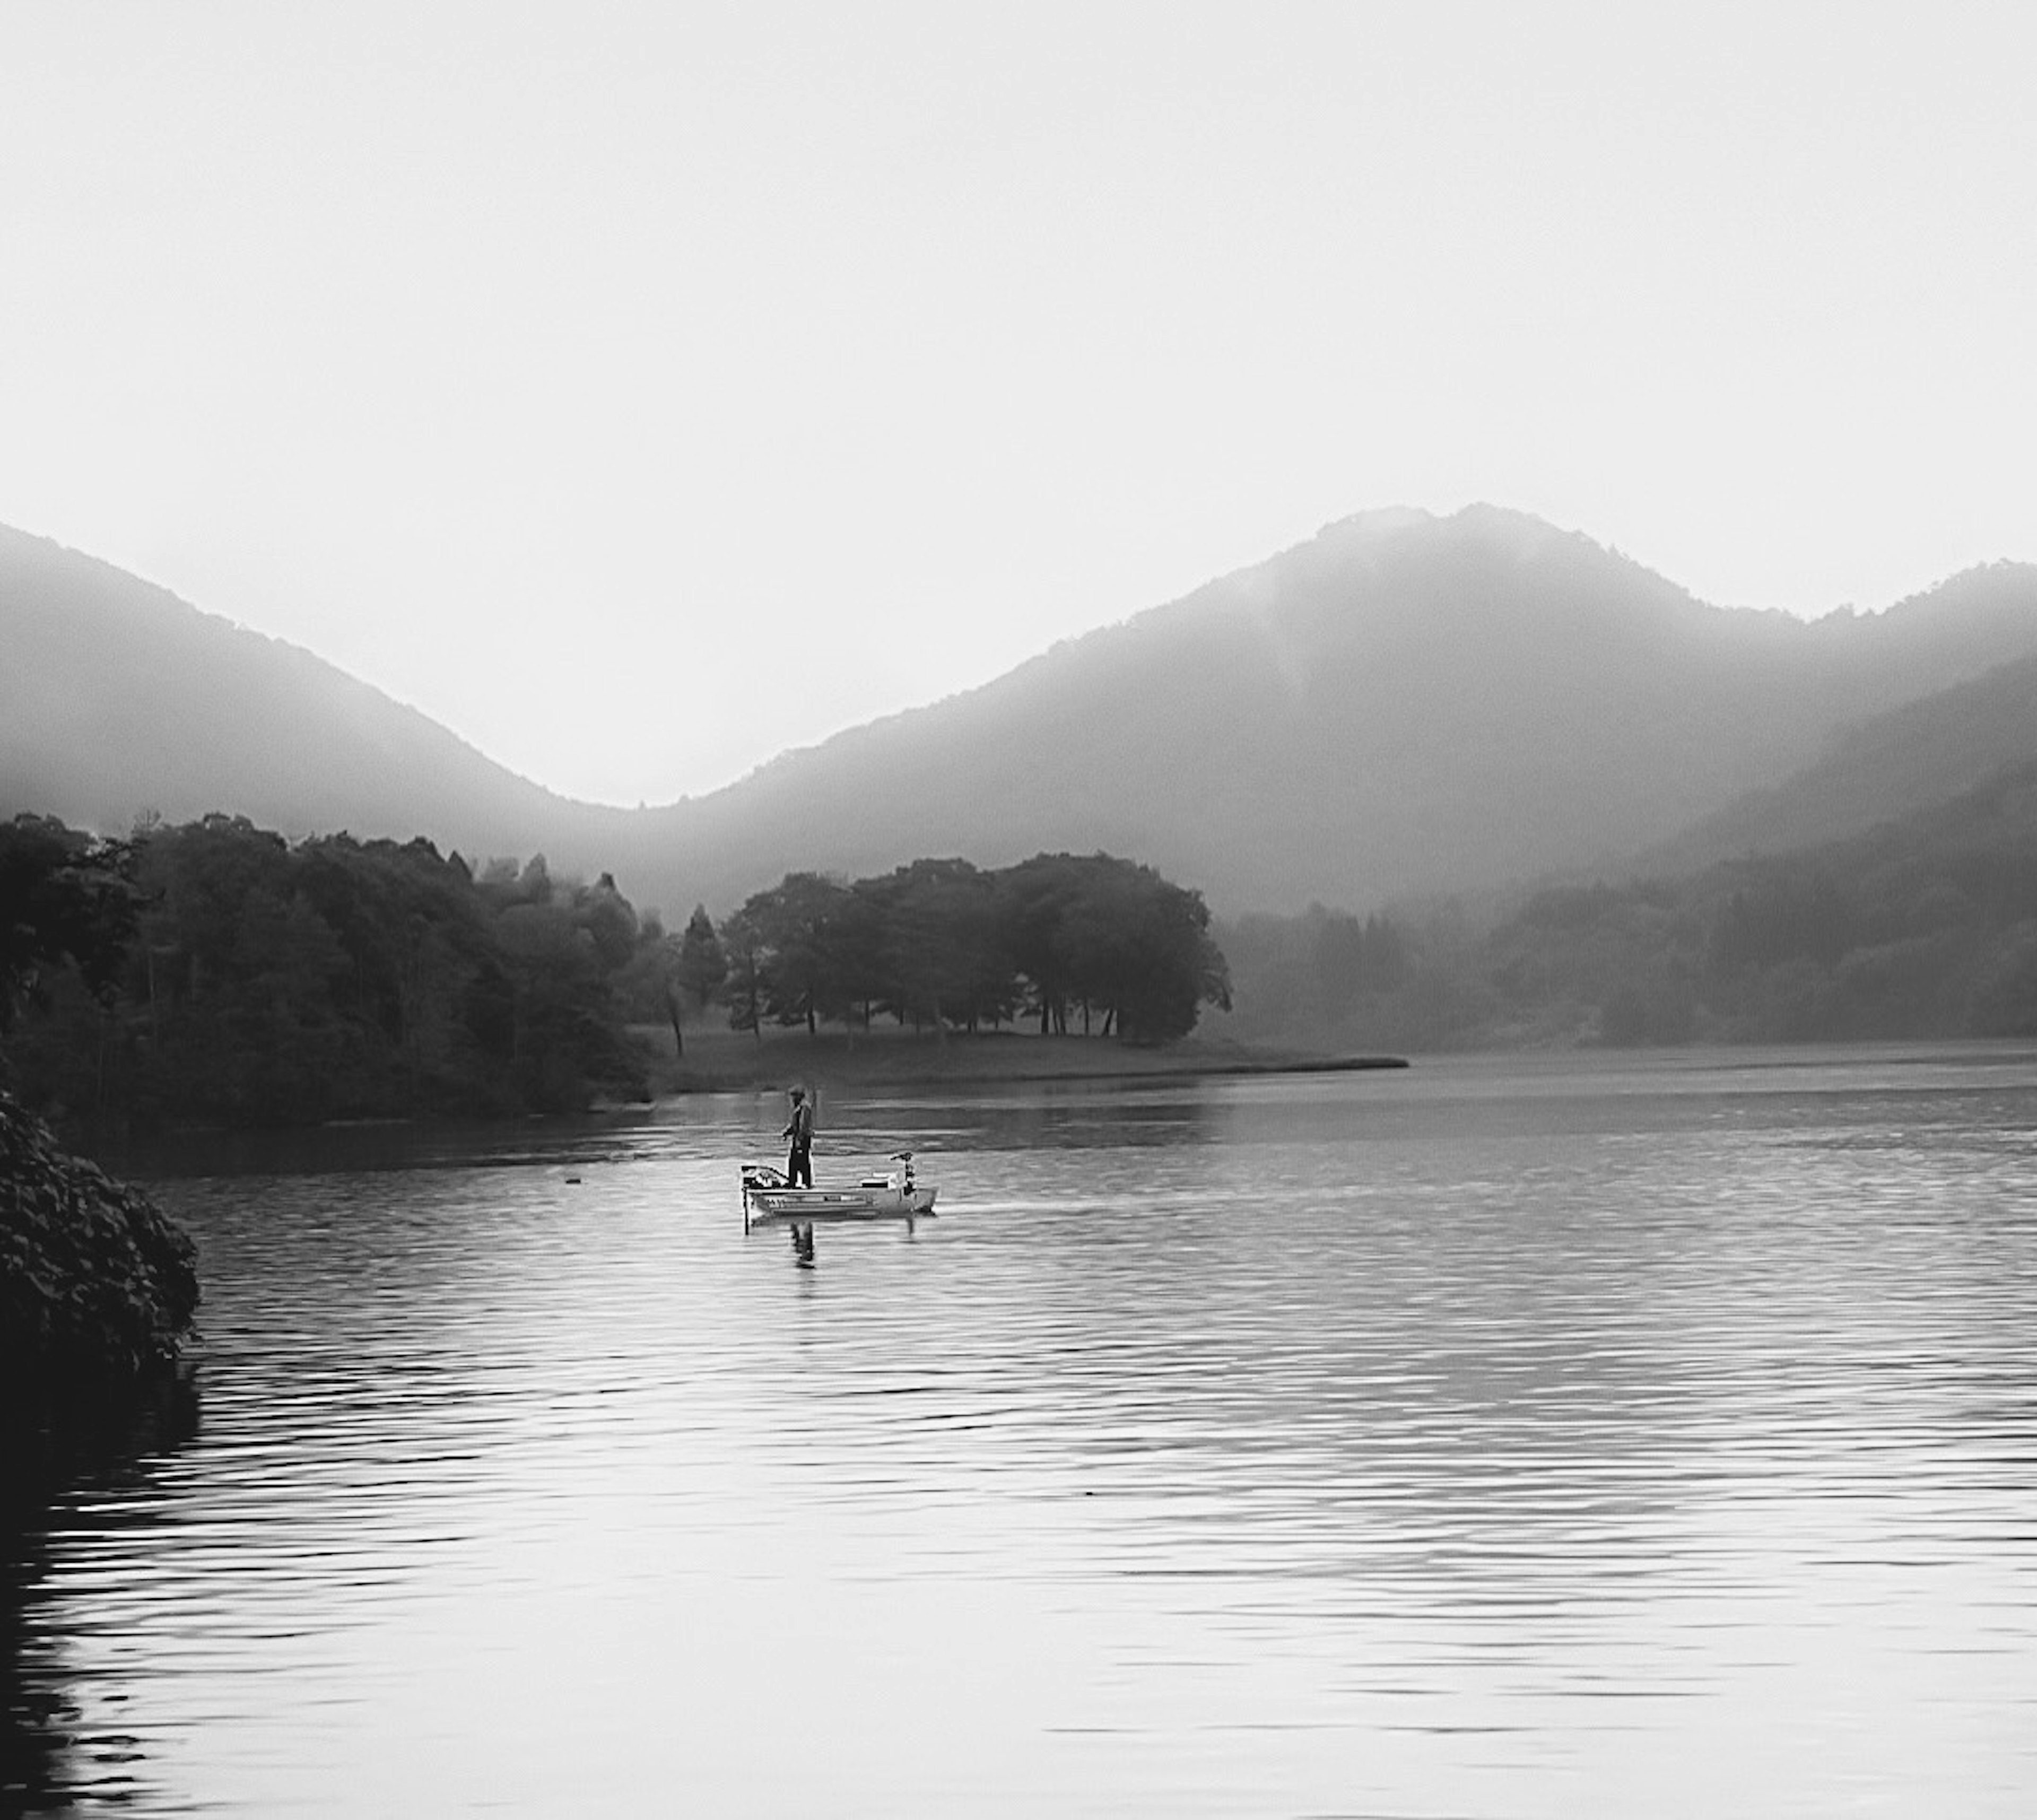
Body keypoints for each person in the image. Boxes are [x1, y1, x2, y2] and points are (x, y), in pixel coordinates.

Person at [781, 1085, 814, 1188]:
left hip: (802, 1139)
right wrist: (787, 1132)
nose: (791, 1100)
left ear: (798, 1097)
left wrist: (799, 1140)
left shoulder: (805, 1108)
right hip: (798, 1138)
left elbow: (803, 1125)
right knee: (794, 1162)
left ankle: (806, 1183)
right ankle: (793, 1182)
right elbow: (794, 1125)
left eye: (793, 1097)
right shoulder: (798, 1108)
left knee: (802, 1161)